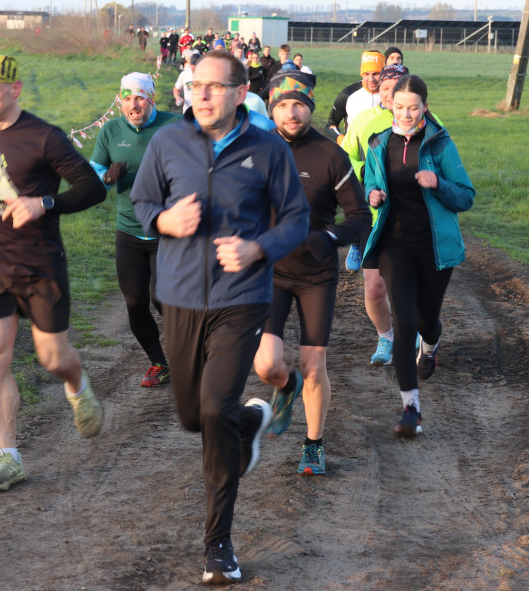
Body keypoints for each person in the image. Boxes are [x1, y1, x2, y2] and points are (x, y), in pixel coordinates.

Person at [131, 50, 310, 584]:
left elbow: (297, 219)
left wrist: (257, 249)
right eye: (195, 85)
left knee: (213, 410)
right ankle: (251, 421)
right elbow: (142, 204)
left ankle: (218, 547)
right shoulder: (167, 142)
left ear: (238, 93)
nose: (201, 94)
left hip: (242, 299)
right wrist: (165, 219)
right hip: (180, 298)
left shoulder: (268, 148)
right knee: (193, 416)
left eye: (214, 87)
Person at [0, 54, 107, 491]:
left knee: (54, 358)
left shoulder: (44, 137)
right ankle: (8, 456)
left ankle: (77, 384)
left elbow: (93, 188)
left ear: (14, 90)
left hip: (39, 265)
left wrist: (44, 203)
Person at [253, 70, 371, 476]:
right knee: (267, 365)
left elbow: (360, 216)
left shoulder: (329, 155)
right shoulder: (257, 150)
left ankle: (313, 445)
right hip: (269, 271)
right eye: (283, 104)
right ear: (272, 109)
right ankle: (285, 388)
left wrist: (332, 237)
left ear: (310, 108)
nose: (291, 112)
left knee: (312, 364)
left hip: (316, 275)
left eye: (299, 104)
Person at [363, 75, 475, 437]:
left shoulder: (440, 145)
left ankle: (431, 345)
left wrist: (438, 183)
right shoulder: (379, 143)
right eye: (399, 107)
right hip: (395, 246)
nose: (407, 114)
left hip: (434, 247)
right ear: (389, 105)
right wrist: (372, 195)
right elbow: (370, 179)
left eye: (414, 107)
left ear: (425, 106)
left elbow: (466, 197)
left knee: (427, 321)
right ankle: (411, 409)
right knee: (405, 322)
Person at [89, 73, 178, 387]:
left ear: (151, 98)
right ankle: (160, 363)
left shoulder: (174, 126)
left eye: (139, 97)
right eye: (127, 98)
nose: (133, 104)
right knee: (134, 301)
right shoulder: (111, 131)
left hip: (168, 230)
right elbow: (94, 172)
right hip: (128, 230)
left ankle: (194, 347)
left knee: (162, 298)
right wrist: (107, 177)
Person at [339, 63, 410, 365]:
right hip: (373, 214)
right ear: (379, 92)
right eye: (385, 90)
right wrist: (366, 181)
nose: (390, 96)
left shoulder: (427, 122)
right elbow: (348, 160)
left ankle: (413, 332)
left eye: (396, 91)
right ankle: (387, 338)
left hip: (410, 215)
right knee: (374, 284)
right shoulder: (364, 121)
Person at [325, 50, 384, 136]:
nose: (371, 79)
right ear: (361, 73)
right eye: (366, 74)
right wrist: (341, 140)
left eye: (376, 73)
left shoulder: (392, 95)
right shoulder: (348, 94)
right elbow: (331, 125)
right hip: (353, 149)